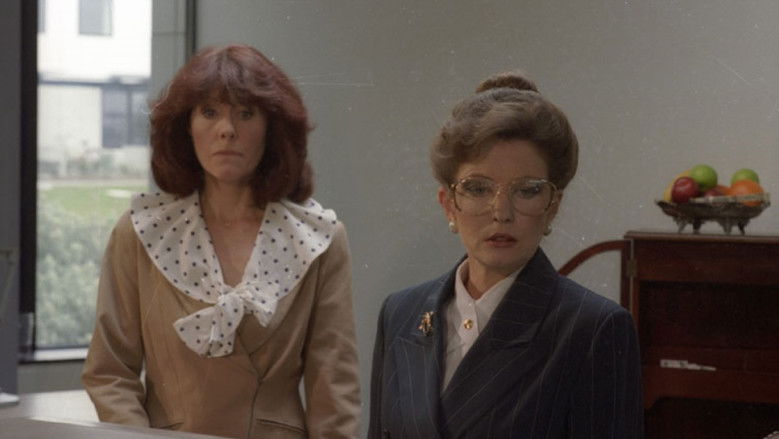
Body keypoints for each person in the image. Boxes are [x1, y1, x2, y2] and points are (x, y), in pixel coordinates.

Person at [83, 45, 360, 439]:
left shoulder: (316, 239)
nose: (227, 129)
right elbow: (110, 372)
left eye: (246, 113)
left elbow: (334, 388)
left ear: (272, 127)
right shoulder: (142, 232)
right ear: (186, 126)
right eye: (209, 112)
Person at [369, 71, 643, 438]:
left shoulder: (593, 329)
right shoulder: (401, 313)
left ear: (553, 206)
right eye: (477, 188)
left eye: (527, 190)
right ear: (449, 204)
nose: (501, 212)